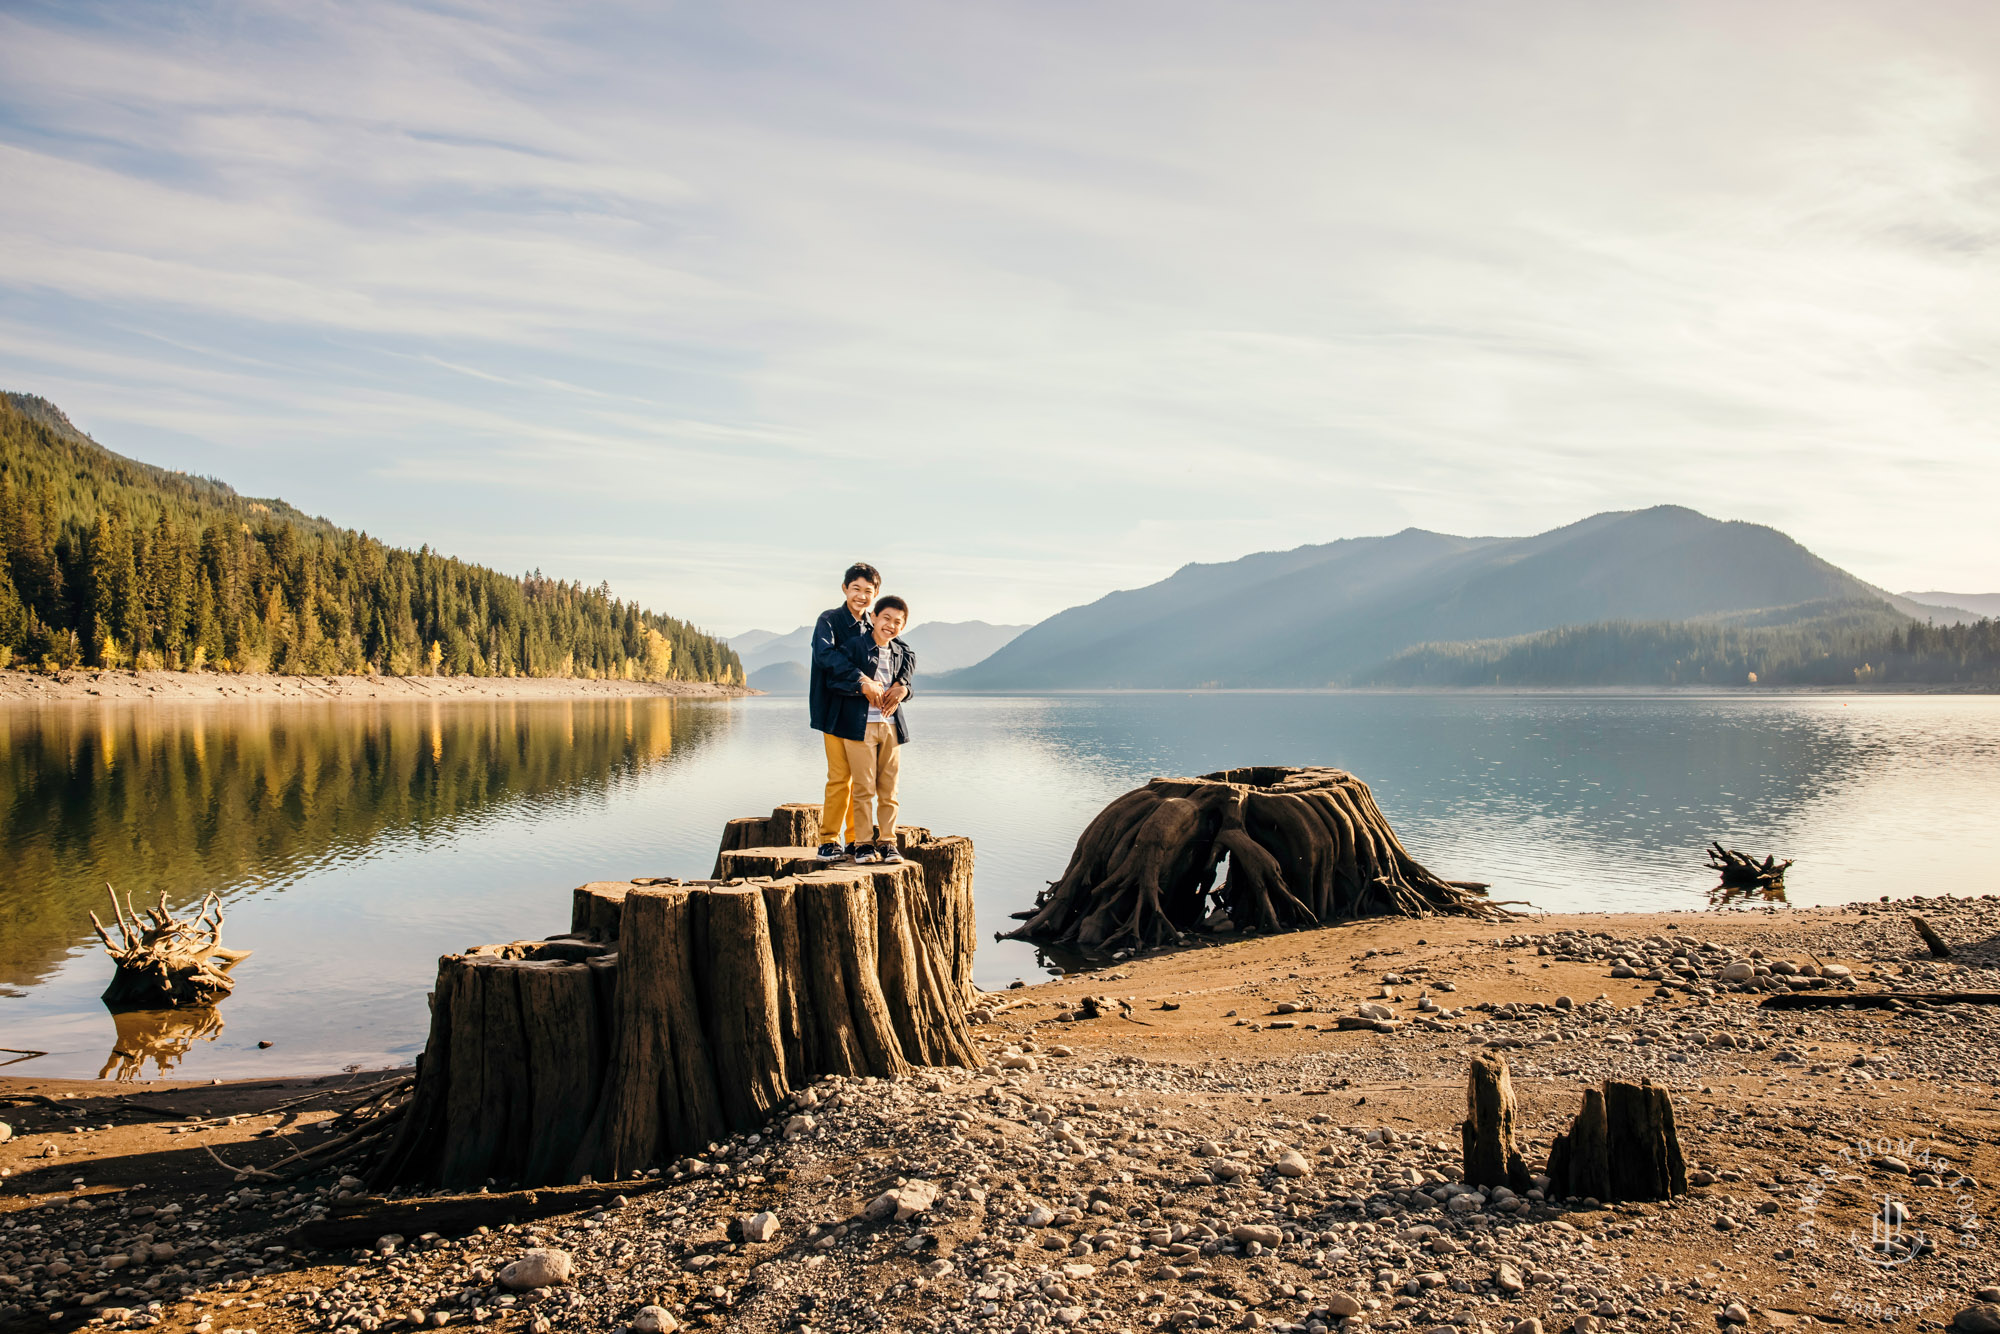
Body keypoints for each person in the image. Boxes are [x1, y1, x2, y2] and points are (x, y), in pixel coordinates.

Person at [808, 563, 912, 861]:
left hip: (863, 715)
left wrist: (903, 684)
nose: (861, 596)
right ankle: (829, 838)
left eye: (868, 591)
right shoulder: (829, 620)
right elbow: (826, 656)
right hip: (834, 709)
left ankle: (857, 840)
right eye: (856, 589)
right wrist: (861, 679)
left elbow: (906, 651)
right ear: (844, 589)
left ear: (875, 595)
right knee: (840, 778)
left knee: (863, 781)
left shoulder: (874, 622)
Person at [835, 596, 915, 864]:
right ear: (873, 618)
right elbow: (836, 680)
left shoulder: (900, 652)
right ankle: (863, 845)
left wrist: (905, 690)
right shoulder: (855, 646)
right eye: (886, 618)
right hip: (860, 726)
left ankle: (889, 843)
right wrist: (861, 686)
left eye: (897, 622)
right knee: (863, 788)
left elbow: (906, 686)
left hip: (891, 727)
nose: (891, 625)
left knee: (889, 789)